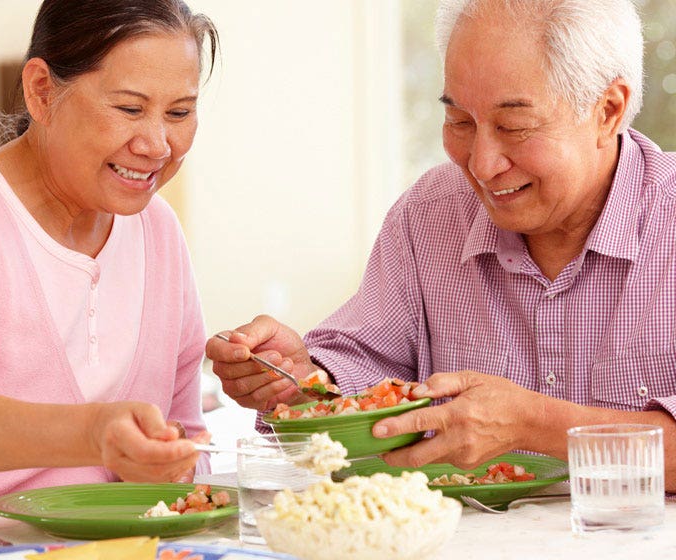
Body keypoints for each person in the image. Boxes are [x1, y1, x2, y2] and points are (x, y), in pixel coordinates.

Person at [207, 0, 676, 492]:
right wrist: (300, 381)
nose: (482, 164)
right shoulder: (430, 215)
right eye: (460, 121)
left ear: (608, 110)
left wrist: (533, 424)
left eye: (513, 127)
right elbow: (363, 373)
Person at [0, 0, 219, 510]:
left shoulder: (159, 230)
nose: (157, 145)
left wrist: (174, 463)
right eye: (129, 109)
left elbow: (188, 440)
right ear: (41, 91)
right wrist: (95, 433)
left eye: (179, 113)